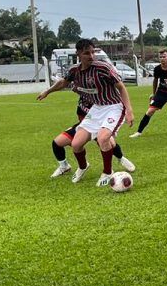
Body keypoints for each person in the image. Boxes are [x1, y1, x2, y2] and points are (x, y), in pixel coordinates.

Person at [37, 38, 134, 186]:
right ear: (78, 54)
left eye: (93, 52)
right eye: (86, 53)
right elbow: (63, 82)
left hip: (113, 106)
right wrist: (48, 91)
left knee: (103, 138)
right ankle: (83, 167)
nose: (91, 56)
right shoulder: (74, 71)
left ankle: (108, 172)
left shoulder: (102, 67)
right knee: (76, 144)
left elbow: (121, 87)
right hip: (96, 109)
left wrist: (129, 110)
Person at [50, 102, 134, 178]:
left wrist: (127, 112)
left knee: (109, 142)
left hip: (99, 126)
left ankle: (121, 158)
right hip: (84, 126)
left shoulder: (99, 98)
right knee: (57, 143)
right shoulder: (82, 96)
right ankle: (64, 166)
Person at [131, 49, 167, 137]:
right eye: (160, 57)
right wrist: (154, 94)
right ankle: (139, 132)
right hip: (161, 92)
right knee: (150, 111)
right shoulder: (157, 69)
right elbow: (155, 81)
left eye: (164, 57)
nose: (162, 59)